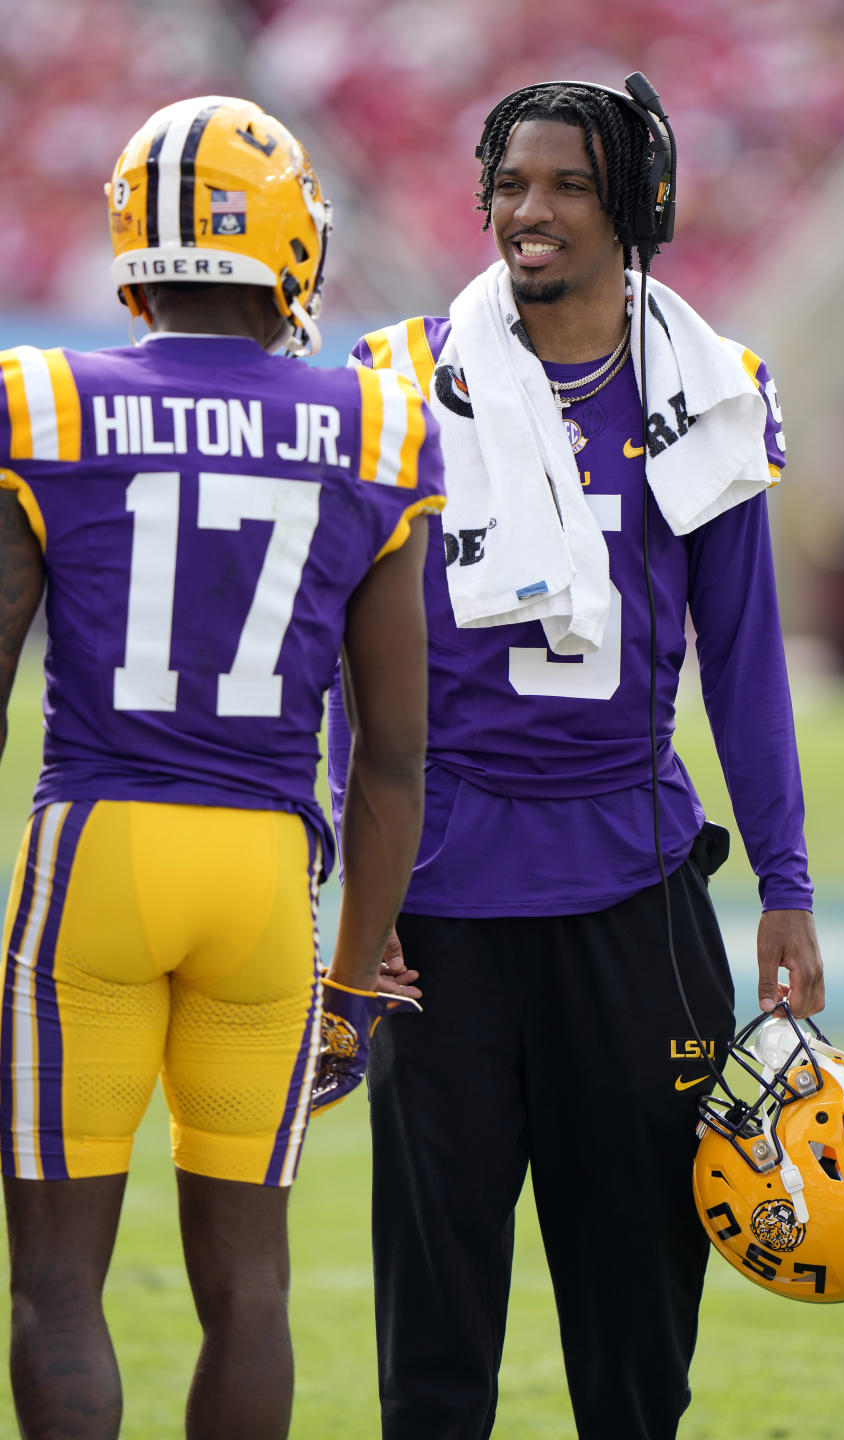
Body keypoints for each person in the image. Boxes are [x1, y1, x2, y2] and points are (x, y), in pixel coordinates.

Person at [329, 73, 825, 1439]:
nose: (528, 213)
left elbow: (745, 663)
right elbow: (335, 668)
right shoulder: (398, 382)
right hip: (440, 904)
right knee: (433, 1344)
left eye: (566, 186)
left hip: (633, 891)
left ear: (637, 207)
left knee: (637, 1337)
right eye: (509, 185)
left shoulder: (709, 394)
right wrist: (352, 894)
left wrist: (786, 884)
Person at [0, 96, 443, 1440]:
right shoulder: (373, 427)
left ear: (135, 242)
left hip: (97, 853)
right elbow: (393, 761)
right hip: (265, 874)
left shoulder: (44, 399)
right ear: (294, 242)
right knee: (251, 1290)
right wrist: (355, 981)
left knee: (58, 1285)